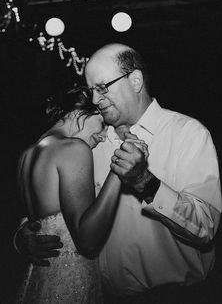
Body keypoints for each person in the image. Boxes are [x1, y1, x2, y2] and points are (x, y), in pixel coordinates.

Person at [15, 43, 222, 302]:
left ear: (135, 80)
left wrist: (144, 182)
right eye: (91, 91)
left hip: (174, 294)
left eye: (102, 87)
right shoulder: (90, 142)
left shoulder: (188, 134)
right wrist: (25, 233)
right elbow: (58, 200)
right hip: (103, 294)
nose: (94, 100)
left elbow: (205, 227)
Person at [15, 85, 149, 303]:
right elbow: (88, 242)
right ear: (78, 112)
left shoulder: (27, 155)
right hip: (68, 285)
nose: (105, 136)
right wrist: (119, 171)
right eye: (104, 123)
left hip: (38, 280)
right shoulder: (73, 148)